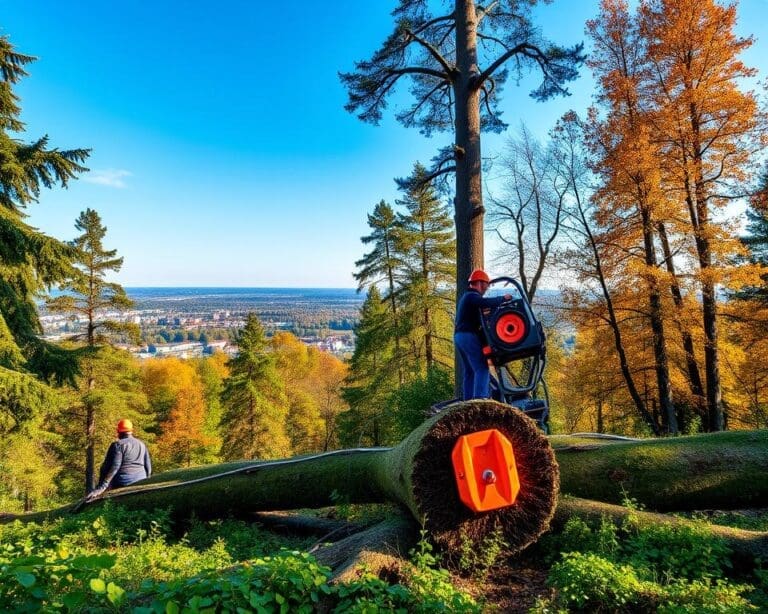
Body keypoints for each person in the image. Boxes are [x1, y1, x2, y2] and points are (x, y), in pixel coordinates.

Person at [454, 269, 511, 400]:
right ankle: (480, 400)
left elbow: (480, 311)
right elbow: (485, 303)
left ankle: (467, 402)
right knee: (482, 368)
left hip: (459, 337)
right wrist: (503, 298)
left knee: (469, 371)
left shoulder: (468, 297)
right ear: (480, 283)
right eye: (486, 284)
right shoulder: (472, 296)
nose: (487, 287)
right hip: (467, 336)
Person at [86, 419, 151, 501]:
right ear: (131, 431)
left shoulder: (118, 445)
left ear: (118, 431)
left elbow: (113, 467)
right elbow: (148, 468)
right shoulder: (142, 444)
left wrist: (101, 487)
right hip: (141, 481)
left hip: (122, 483)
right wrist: (146, 482)